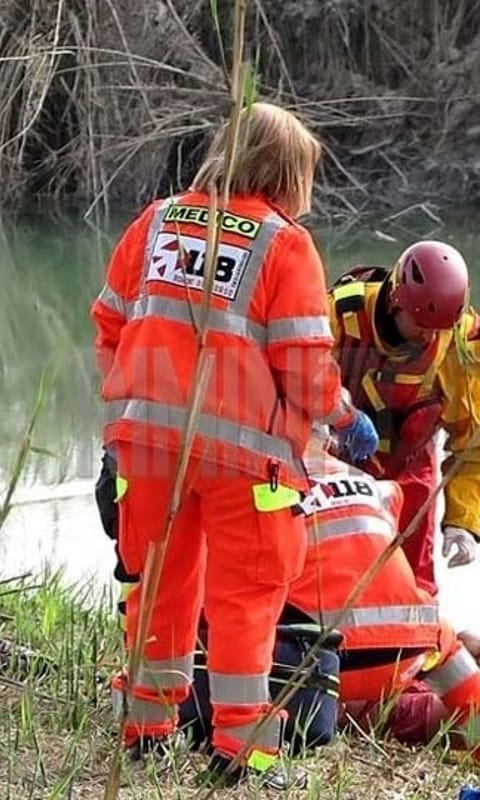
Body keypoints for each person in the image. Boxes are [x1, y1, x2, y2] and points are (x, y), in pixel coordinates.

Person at [90, 102, 378, 787]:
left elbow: (108, 321)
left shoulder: (155, 222)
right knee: (245, 600)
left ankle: (146, 732)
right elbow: (304, 364)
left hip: (149, 446)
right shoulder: (283, 245)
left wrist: (132, 410)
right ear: (288, 173)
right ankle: (240, 751)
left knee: (156, 586)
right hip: (247, 460)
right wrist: (341, 418)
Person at [98, 446, 480, 761]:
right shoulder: (372, 483)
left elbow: (219, 583)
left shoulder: (251, 474)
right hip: (412, 642)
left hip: (315, 653)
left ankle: (358, 710)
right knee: (451, 653)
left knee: (340, 704)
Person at [328, 241, 480, 594]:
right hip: (340, 473)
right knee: (332, 582)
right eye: (422, 324)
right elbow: (297, 386)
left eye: (440, 327)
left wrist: (463, 523)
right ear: (396, 300)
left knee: (414, 590)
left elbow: (474, 443)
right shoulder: (339, 314)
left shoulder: (459, 340)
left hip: (412, 479)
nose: (430, 335)